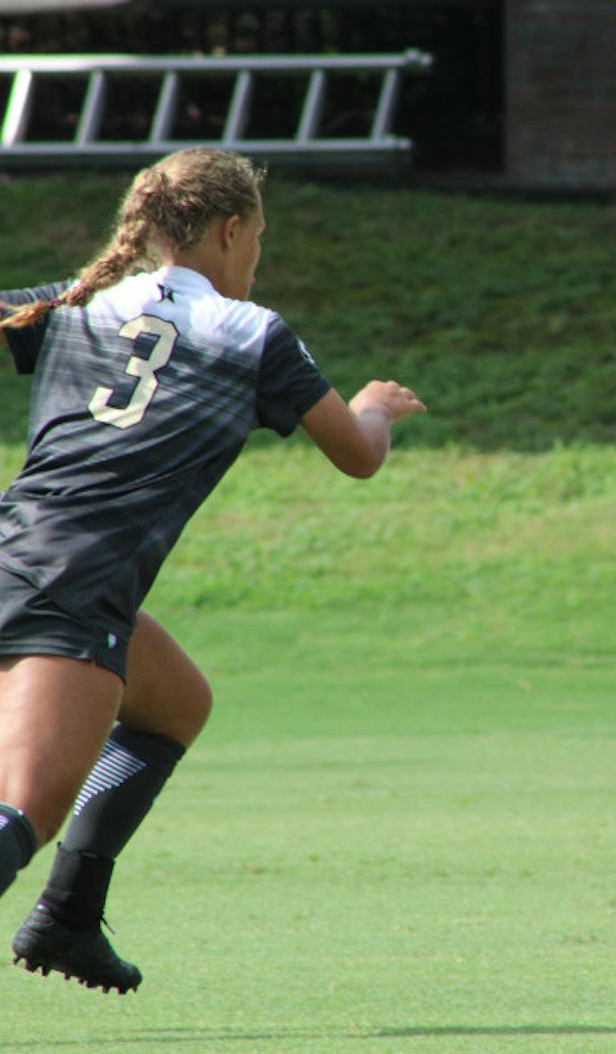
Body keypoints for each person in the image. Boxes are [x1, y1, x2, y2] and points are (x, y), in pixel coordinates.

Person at [0, 147, 426, 994]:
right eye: (257, 239)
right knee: (24, 812)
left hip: (22, 558)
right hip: (72, 587)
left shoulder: (70, 304)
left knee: (176, 702)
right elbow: (356, 455)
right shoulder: (249, 332)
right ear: (231, 231)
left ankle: (69, 919)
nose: (256, 259)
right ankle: (60, 910)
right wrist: (377, 407)